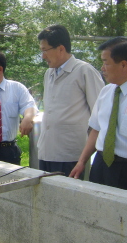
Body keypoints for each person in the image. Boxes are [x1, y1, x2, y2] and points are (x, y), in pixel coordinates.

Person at [70, 37, 127, 195]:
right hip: (100, 165)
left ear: (123, 65)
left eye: (106, 63)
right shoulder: (106, 91)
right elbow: (96, 130)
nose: (102, 68)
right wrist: (81, 162)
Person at [37, 25, 104, 177]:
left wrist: (85, 155)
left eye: (45, 50)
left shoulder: (84, 71)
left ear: (61, 48)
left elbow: (100, 115)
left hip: (71, 156)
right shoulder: (49, 73)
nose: (43, 56)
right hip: (46, 151)